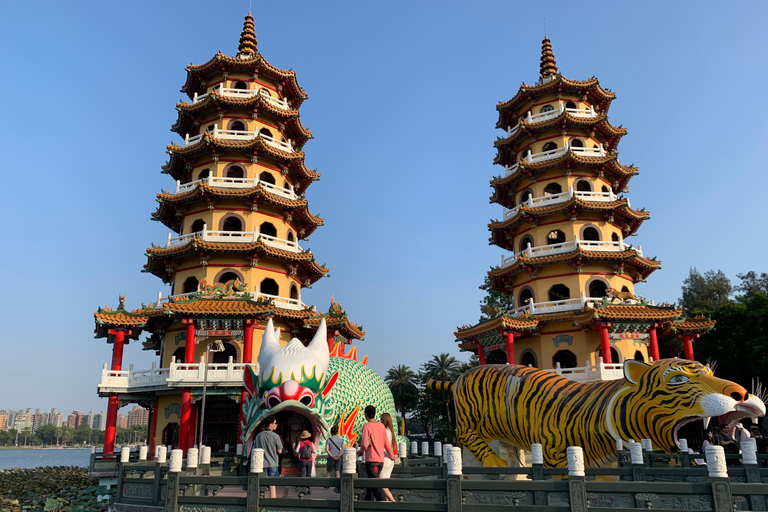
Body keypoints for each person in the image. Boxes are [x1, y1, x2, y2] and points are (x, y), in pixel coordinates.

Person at [357, 405, 394, 501]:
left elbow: (364, 444)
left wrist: (360, 452)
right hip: (381, 460)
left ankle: (383, 505)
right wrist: (391, 455)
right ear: (374, 414)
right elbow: (386, 443)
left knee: (376, 486)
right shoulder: (381, 426)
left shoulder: (366, 427)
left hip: (372, 460)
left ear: (365, 415)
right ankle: (367, 501)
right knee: (370, 485)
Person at [253, 416, 282, 498]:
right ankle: (272, 502)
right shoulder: (275, 436)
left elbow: (255, 449)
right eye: (275, 423)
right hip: (273, 463)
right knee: (272, 485)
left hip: (261, 464)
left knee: (261, 485)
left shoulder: (258, 436)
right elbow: (280, 451)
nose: (276, 425)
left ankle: (261, 501)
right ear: (270, 424)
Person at [379, 412, 397, 502]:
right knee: (385, 484)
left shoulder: (384, 431)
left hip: (385, 458)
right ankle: (387, 503)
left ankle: (393, 502)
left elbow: (383, 445)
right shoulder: (391, 431)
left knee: (382, 484)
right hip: (390, 460)